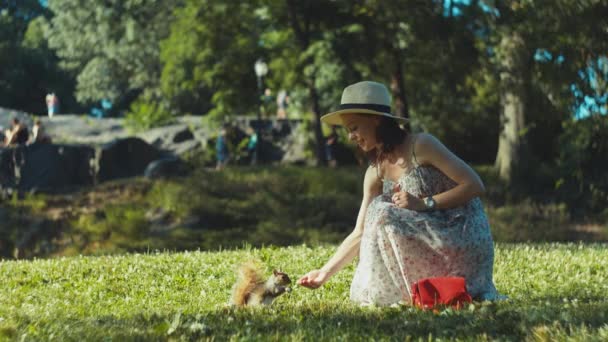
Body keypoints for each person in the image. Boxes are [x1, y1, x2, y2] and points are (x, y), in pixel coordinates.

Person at [297, 81, 501, 306]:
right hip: (427, 246)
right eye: (347, 130)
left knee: (382, 210)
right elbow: (361, 231)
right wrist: (324, 273)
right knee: (379, 210)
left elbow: (474, 185)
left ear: (376, 119)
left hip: (462, 235)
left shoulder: (421, 145)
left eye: (354, 127)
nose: (350, 137)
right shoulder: (374, 172)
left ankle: (446, 288)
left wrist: (425, 203)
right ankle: (415, 294)